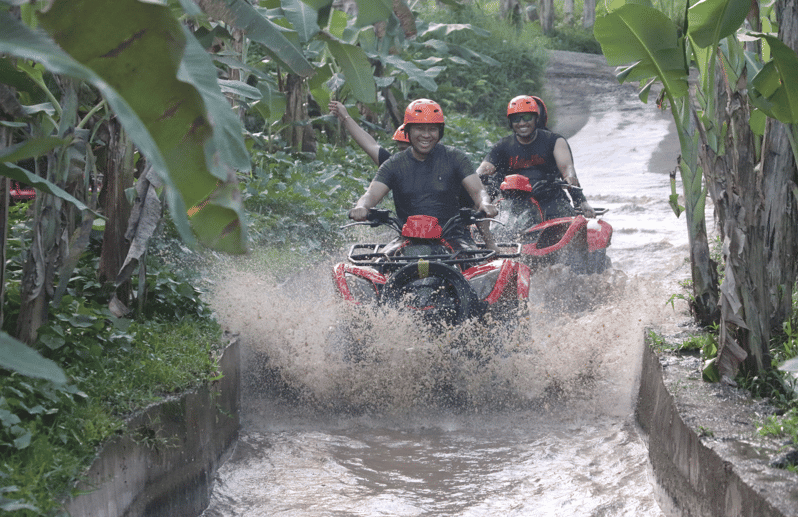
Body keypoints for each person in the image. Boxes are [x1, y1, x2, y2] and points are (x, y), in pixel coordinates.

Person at [348, 99, 497, 251]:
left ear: (440, 132)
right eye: (419, 128)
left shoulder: (456, 158)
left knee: (471, 265)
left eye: (432, 129)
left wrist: (484, 203)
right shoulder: (393, 164)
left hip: (453, 238)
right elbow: (370, 194)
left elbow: (478, 191)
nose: (426, 135)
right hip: (407, 240)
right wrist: (362, 206)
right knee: (381, 264)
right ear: (408, 131)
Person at [475, 95, 595, 219]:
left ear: (536, 119)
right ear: (511, 122)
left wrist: (580, 199)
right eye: (516, 119)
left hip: (551, 200)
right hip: (513, 204)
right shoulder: (503, 145)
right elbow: (484, 168)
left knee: (564, 221)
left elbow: (567, 168)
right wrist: (476, 176)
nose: (522, 123)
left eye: (527, 118)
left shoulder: (554, 141)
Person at [328, 100, 409, 166]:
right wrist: (345, 117)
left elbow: (371, 146)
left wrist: (345, 117)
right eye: (401, 149)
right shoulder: (396, 166)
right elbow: (370, 145)